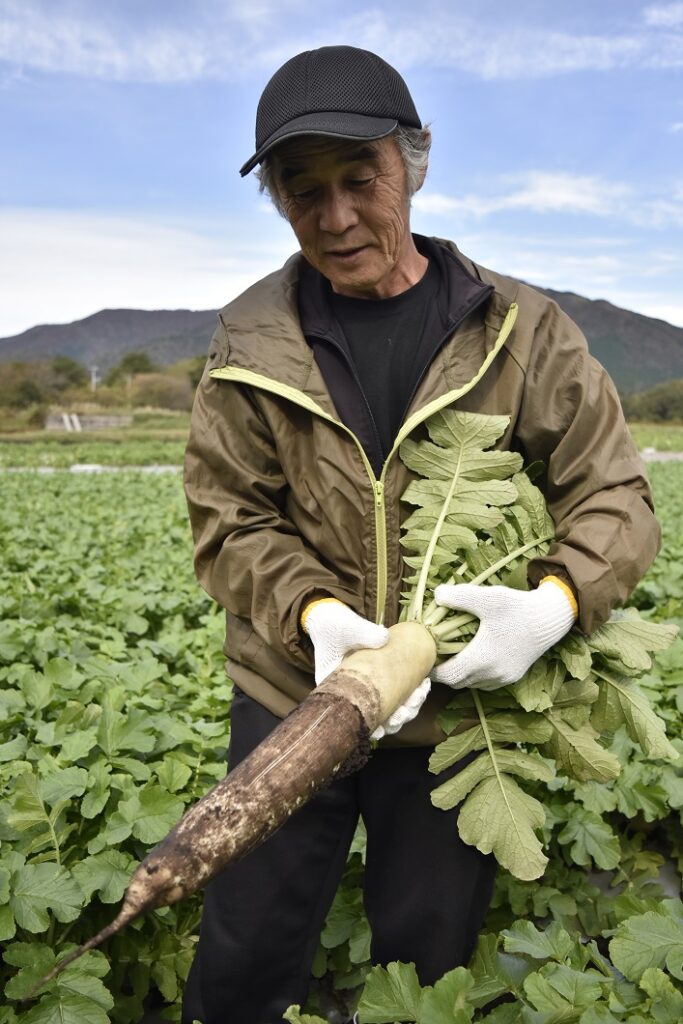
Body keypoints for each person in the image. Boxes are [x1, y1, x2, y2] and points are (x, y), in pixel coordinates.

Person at [181, 45, 660, 1024]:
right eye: (300, 189)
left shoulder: (521, 331)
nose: (336, 215)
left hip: (453, 718)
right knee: (241, 948)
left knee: (427, 957)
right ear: (274, 199)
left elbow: (612, 493)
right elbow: (230, 516)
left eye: (360, 180)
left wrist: (549, 605)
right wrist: (313, 614)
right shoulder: (250, 340)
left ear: (415, 164)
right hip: (294, 690)